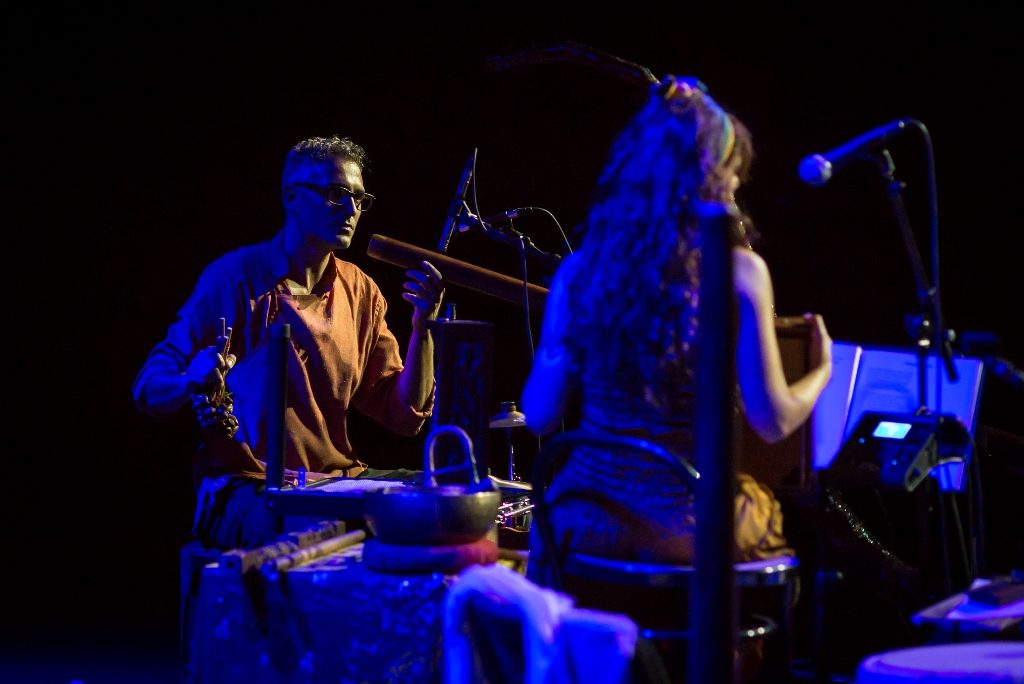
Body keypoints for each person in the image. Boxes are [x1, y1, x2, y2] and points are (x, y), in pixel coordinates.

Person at [520, 76, 834, 573]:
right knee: (766, 524)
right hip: (684, 524)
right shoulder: (739, 272)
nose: (735, 186)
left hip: (584, 520)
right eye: (732, 172)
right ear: (712, 176)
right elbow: (771, 422)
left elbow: (538, 414)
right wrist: (822, 372)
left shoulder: (578, 273)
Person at [134, 135, 444, 550]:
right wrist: (191, 378)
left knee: (449, 502)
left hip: (336, 483)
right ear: (293, 198)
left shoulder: (361, 291)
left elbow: (403, 417)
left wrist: (424, 324)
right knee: (320, 532)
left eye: (359, 198)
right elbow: (148, 387)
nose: (352, 210)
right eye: (337, 195)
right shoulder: (236, 277)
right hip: (247, 487)